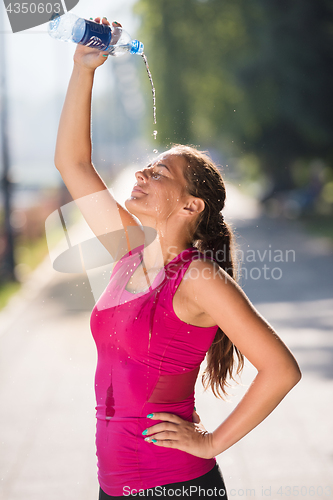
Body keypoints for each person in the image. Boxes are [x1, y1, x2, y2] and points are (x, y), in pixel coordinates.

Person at [54, 17, 302, 499]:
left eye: (160, 171)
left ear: (191, 206)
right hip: (115, 485)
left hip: (174, 486)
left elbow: (282, 369)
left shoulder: (199, 279)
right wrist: (84, 70)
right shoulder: (129, 251)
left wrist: (211, 443)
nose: (144, 171)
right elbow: (72, 164)